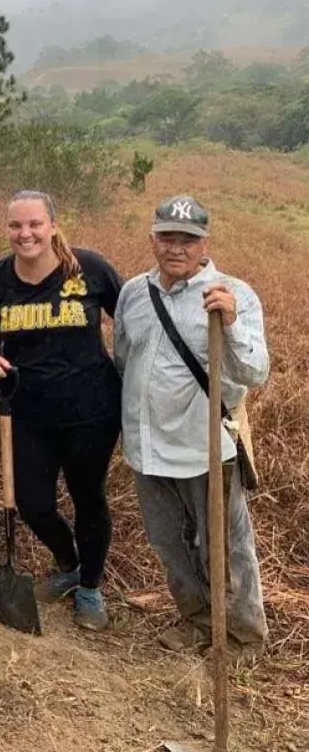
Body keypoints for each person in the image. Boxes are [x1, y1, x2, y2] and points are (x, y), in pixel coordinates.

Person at [113, 195, 269, 660]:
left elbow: (255, 373)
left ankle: (241, 638)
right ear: (153, 240)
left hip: (205, 446)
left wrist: (232, 323)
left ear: (205, 243)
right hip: (147, 446)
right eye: (167, 237)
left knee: (226, 548)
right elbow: (124, 357)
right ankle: (197, 621)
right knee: (169, 544)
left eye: (188, 239)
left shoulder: (232, 293)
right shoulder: (133, 293)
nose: (176, 248)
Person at [0, 189, 124, 632]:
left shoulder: (90, 269)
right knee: (34, 504)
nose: (26, 234)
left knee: (88, 499)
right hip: (25, 411)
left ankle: (91, 588)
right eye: (16, 225)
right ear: (6, 229)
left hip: (92, 411)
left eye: (35, 224)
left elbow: (134, 319)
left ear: (53, 225)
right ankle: (70, 565)